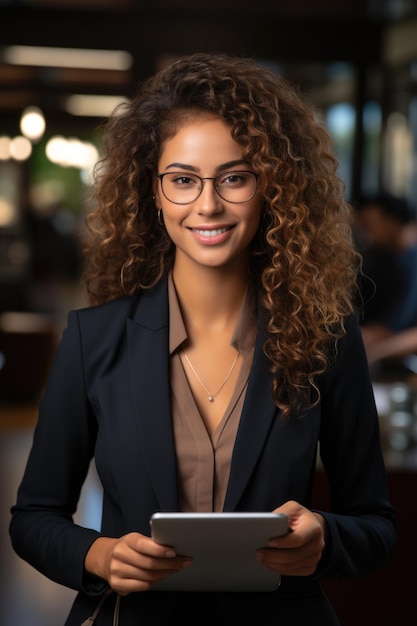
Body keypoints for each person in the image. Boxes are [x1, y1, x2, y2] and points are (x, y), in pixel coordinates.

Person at [9, 52, 396, 626]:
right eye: (183, 180)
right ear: (154, 191)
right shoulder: (94, 339)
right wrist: (100, 554)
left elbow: (375, 524)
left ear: (272, 189)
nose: (208, 204)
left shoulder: (326, 340)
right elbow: (34, 518)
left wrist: (326, 539)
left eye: (235, 177)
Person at [353, 193, 417, 364]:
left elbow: (392, 326)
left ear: (392, 222)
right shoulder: (385, 257)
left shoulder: (409, 262)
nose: (367, 233)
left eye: (370, 225)